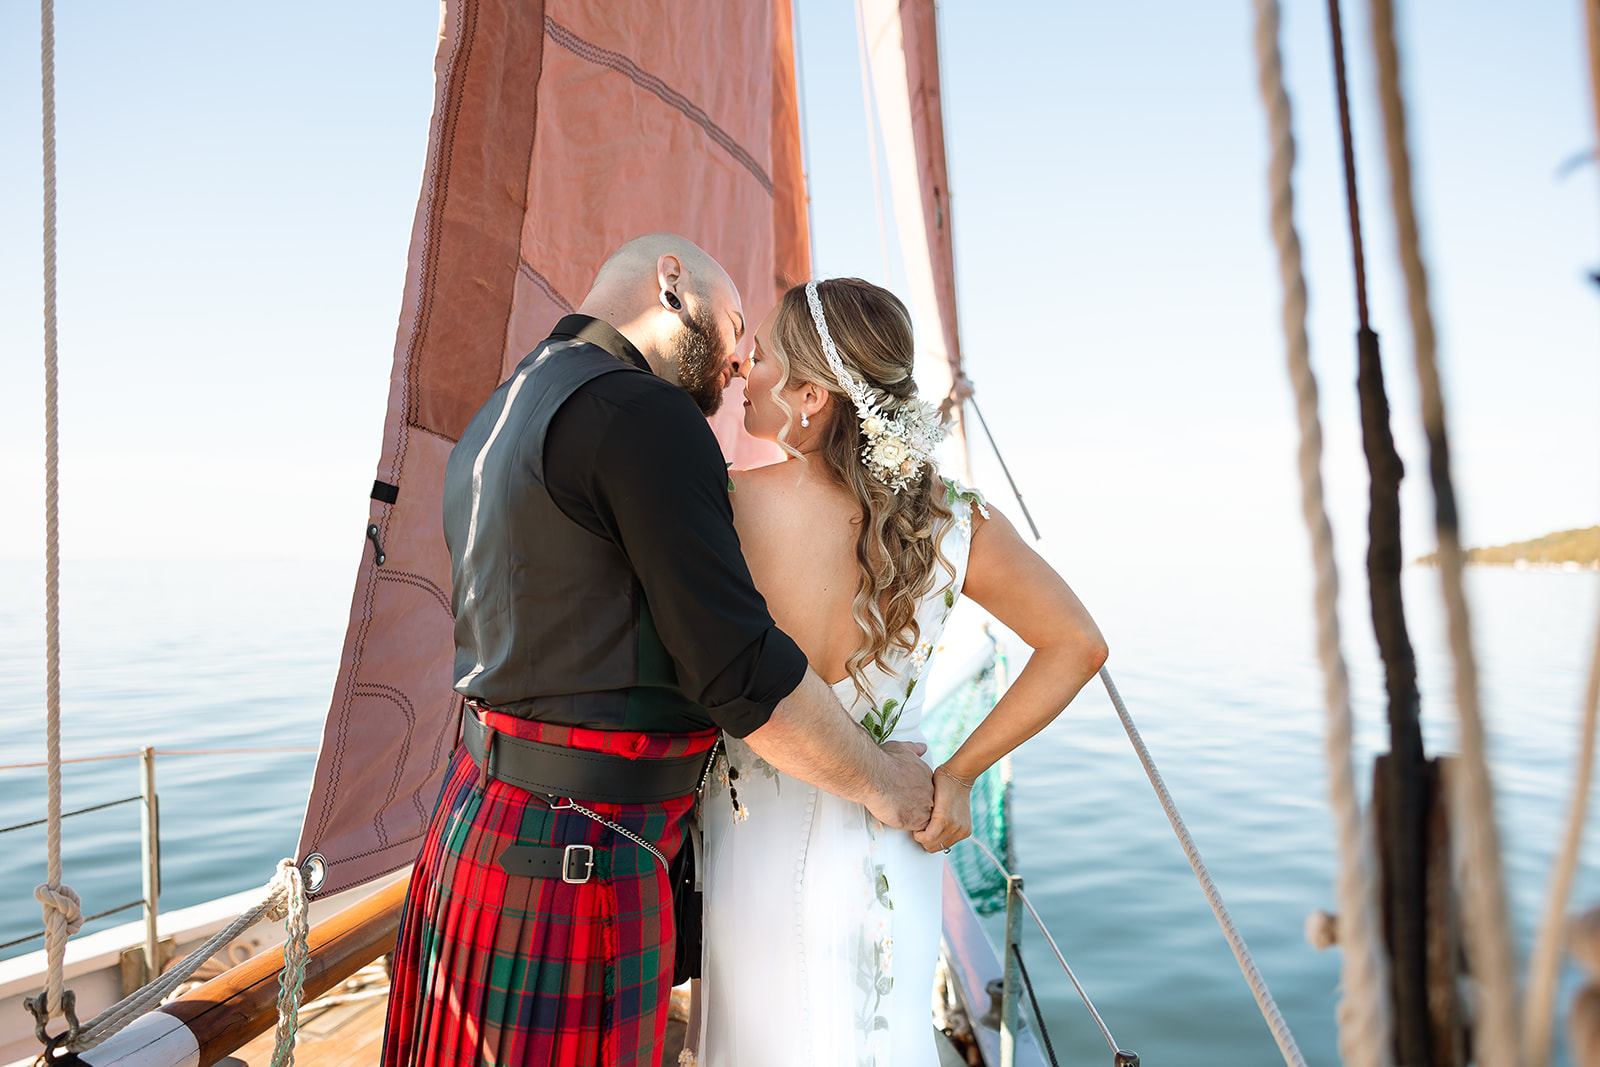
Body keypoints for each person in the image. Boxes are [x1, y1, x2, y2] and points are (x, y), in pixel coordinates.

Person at [380, 238, 936, 1067]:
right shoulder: (640, 412)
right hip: (578, 857)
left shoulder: (507, 405)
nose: (742, 361)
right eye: (739, 325)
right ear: (671, 282)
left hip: (482, 819)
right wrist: (891, 785)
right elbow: (741, 671)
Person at [697, 278, 1108, 1067]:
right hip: (896, 842)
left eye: (764, 354)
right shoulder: (954, 518)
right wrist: (957, 777)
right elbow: (1077, 644)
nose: (745, 366)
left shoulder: (718, 505)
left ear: (811, 394)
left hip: (748, 845)